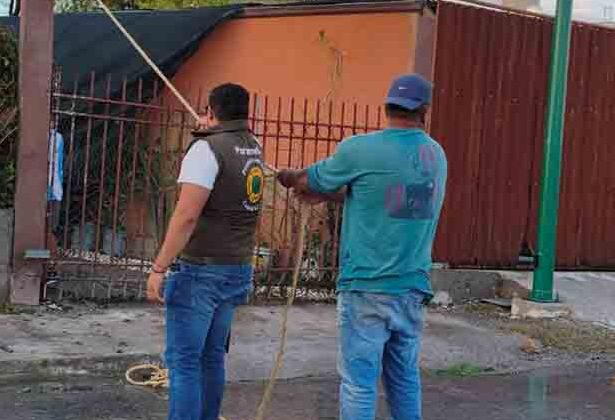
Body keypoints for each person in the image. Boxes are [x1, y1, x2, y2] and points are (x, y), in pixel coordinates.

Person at [277, 74, 447, 420]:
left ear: (386, 107)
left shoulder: (360, 149)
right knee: (404, 378)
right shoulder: (435, 155)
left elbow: (308, 180)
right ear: (424, 110)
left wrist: (290, 177)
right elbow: (392, 199)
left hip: (365, 287)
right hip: (411, 287)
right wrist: (329, 194)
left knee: (359, 383)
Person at [146, 83, 264, 420]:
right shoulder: (252, 146)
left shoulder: (206, 150)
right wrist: (208, 133)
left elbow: (186, 215)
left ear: (211, 112)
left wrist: (158, 268)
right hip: (236, 267)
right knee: (212, 357)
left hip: (201, 271)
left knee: (184, 362)